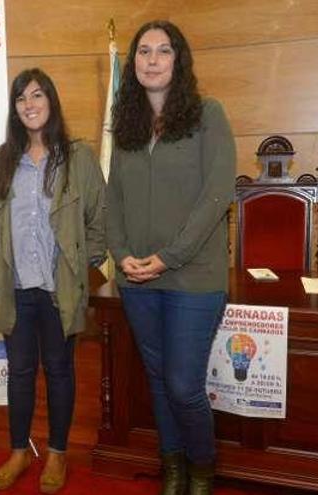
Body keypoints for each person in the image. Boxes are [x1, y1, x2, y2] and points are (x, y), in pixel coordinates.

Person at [105, 20, 236, 495]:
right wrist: (121, 256)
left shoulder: (208, 115)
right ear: (134, 62)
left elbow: (217, 195)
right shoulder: (127, 128)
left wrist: (168, 256)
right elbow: (112, 199)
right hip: (136, 278)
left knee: (183, 384)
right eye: (143, 51)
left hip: (193, 279)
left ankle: (202, 468)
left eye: (163, 51)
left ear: (178, 60)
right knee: (158, 380)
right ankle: (172, 466)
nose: (152, 59)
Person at [0, 68, 106, 493]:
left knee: (61, 370)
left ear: (51, 101)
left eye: (37, 95)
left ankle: (57, 454)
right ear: (14, 109)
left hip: (58, 291)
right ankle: (17, 451)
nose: (29, 105)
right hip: (14, 288)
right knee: (20, 372)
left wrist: (79, 272)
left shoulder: (78, 158)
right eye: (20, 99)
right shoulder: (2, 160)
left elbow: (100, 225)